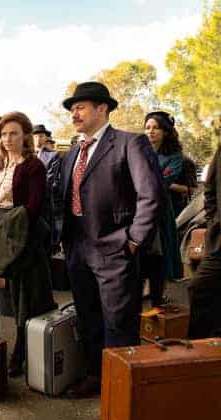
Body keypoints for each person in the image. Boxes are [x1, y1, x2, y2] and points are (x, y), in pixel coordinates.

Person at [57, 82, 162, 398]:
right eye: (72, 109)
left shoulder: (130, 143)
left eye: (80, 107)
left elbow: (151, 194)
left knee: (119, 322)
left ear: (102, 108)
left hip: (116, 250)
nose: (74, 113)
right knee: (88, 318)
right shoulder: (73, 151)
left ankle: (122, 389)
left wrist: (134, 240)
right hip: (77, 250)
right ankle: (95, 376)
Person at [0, 112, 56, 377]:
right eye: (3, 134)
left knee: (20, 297)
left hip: (19, 233)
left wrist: (1, 232)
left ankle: (19, 354)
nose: (8, 138)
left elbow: (33, 207)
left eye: (13, 133)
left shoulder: (34, 166)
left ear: (24, 136)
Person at [142, 111, 184, 306]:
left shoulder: (174, 156)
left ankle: (159, 296)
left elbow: (163, 180)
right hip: (139, 210)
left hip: (161, 211)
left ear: (165, 131)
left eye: (155, 127)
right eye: (148, 127)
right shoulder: (138, 151)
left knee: (161, 254)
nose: (150, 131)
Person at [188, 144, 221, 339]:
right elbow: (209, 190)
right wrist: (213, 221)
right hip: (218, 240)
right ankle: (199, 355)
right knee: (199, 288)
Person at [33, 124, 61, 252]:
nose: (38, 138)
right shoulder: (23, 153)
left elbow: (49, 181)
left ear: (45, 138)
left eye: (41, 135)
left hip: (43, 206)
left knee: (43, 243)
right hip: (22, 207)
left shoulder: (53, 156)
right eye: (35, 135)